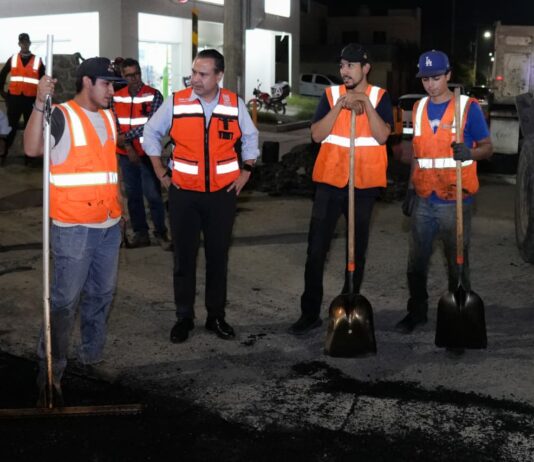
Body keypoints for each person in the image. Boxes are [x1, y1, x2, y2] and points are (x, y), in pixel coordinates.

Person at [24, 57, 124, 405]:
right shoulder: (61, 115)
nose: (112, 91)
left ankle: (92, 357)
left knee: (102, 295)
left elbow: (109, 167)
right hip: (74, 229)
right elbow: (32, 148)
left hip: (109, 225)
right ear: (87, 82)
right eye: (107, 84)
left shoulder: (109, 117)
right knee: (64, 303)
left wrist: (120, 207)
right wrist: (39, 102)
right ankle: (50, 373)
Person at [143, 49, 259, 343]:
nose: (195, 79)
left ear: (219, 76)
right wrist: (160, 172)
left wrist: (246, 170)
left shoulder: (234, 104)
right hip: (184, 194)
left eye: (203, 74)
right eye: (194, 72)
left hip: (222, 195)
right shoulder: (176, 102)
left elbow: (251, 137)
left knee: (218, 258)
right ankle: (184, 317)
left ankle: (215, 316)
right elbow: (151, 133)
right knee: (184, 259)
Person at [290, 43, 393, 335]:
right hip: (329, 184)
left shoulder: (381, 97)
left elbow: (382, 136)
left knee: (355, 252)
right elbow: (316, 135)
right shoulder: (330, 95)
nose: (344, 71)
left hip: (363, 187)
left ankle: (349, 309)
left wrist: (366, 105)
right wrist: (340, 106)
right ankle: (309, 313)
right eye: (342, 65)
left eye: (351, 65)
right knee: (316, 251)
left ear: (366, 68)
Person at [395, 50, 492, 334]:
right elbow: (418, 153)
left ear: (448, 75)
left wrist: (471, 153)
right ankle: (417, 312)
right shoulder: (419, 108)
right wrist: (410, 188)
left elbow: (488, 148)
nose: (431, 84)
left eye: (436, 78)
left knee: (457, 263)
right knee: (416, 263)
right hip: (424, 198)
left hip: (455, 199)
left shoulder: (467, 108)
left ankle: (458, 318)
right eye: (425, 79)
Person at [111, 58, 170, 249]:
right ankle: (141, 234)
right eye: (129, 75)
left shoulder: (154, 95)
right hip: (126, 154)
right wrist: (128, 146)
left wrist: (125, 137)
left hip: (148, 154)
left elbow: (152, 125)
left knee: (153, 195)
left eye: (136, 74)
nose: (134, 78)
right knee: (133, 196)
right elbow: (114, 123)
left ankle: (161, 233)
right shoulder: (116, 97)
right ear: (122, 76)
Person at [0, 33, 45, 165]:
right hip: (14, 99)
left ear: (29, 44)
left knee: (30, 129)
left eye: (26, 42)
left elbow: (43, 78)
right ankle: (2, 155)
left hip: (30, 100)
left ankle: (29, 158)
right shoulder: (13, 59)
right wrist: (3, 93)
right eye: (22, 42)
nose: (24, 44)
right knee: (10, 128)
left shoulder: (37, 60)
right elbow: (2, 75)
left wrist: (40, 97)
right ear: (19, 44)